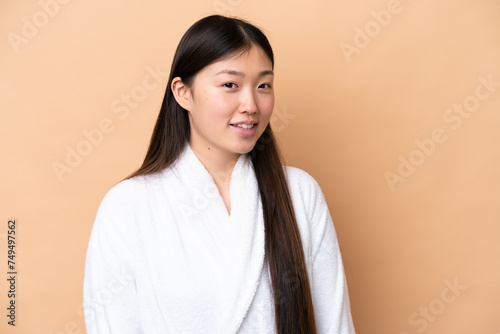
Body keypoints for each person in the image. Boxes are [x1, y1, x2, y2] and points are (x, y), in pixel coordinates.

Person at [83, 14, 355, 334]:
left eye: (263, 85)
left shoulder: (300, 193)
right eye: (230, 85)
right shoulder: (128, 205)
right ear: (183, 92)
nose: (251, 104)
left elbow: (335, 326)